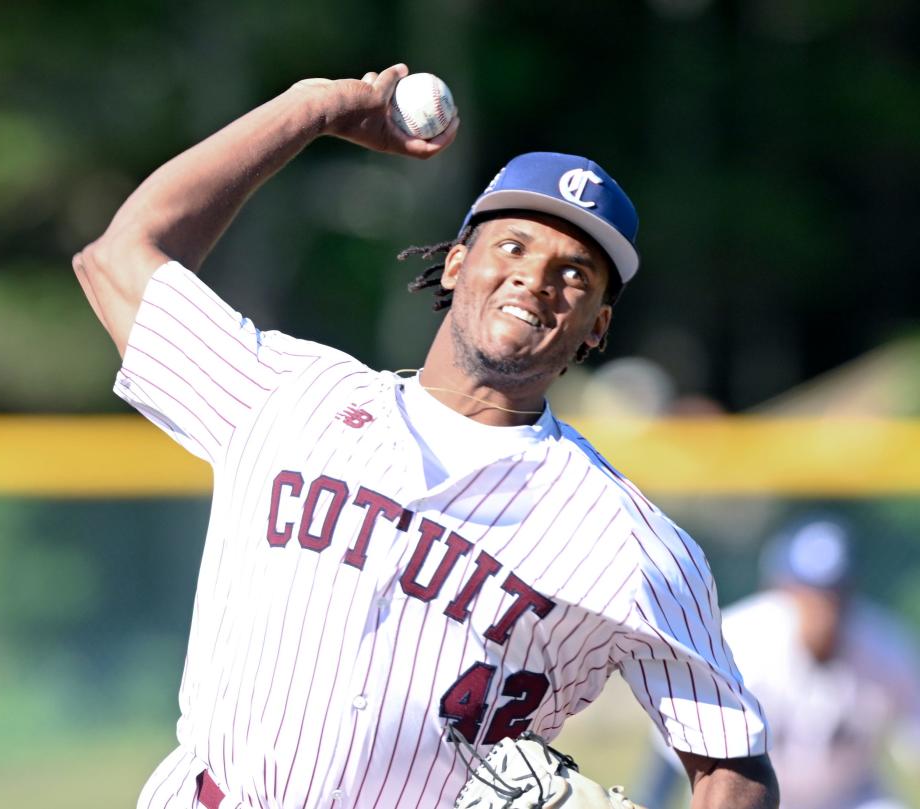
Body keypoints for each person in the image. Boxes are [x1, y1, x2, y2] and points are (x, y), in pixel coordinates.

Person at [72, 64, 778, 809]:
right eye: (512, 246)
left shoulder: (630, 544)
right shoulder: (287, 391)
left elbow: (734, 762)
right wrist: (309, 110)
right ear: (455, 260)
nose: (536, 279)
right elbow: (118, 258)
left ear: (597, 325)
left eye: (575, 273)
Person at [635, 517, 920, 809]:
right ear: (783, 588)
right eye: (812, 591)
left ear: (853, 591)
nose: (825, 606)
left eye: (836, 591)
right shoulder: (739, 642)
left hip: (850, 798)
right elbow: (673, 749)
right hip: (761, 799)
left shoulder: (888, 648)